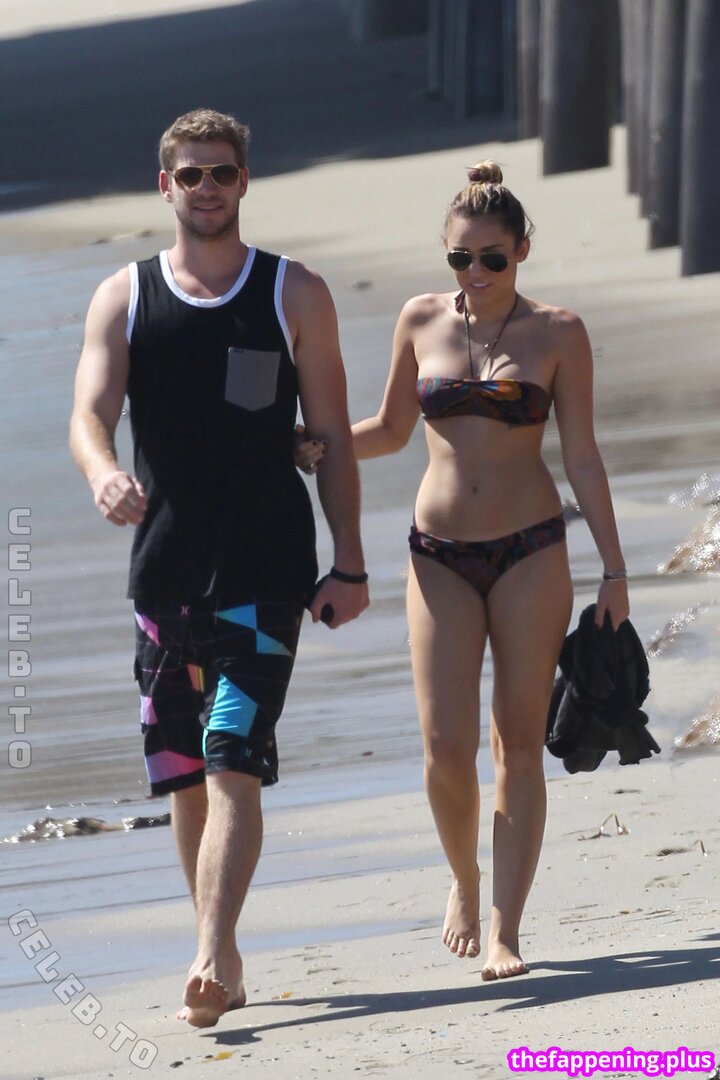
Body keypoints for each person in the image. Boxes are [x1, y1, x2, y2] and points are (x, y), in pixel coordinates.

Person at [69, 108, 368, 1027]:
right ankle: (223, 950)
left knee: (232, 754)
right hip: (163, 574)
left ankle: (207, 953)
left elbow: (332, 437)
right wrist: (103, 472)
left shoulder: (293, 291)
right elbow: (89, 415)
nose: (207, 188)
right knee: (184, 774)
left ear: (245, 182)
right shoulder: (125, 295)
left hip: (265, 571)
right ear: (165, 186)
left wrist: (349, 562)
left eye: (222, 172)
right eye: (191, 174)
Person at [350, 161, 629, 979]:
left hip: (530, 550)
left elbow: (582, 455)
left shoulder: (558, 333)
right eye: (460, 258)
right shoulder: (420, 319)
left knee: (517, 742)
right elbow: (390, 429)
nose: (475, 272)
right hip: (438, 554)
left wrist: (615, 569)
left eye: (492, 258)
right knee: (445, 743)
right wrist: (309, 443)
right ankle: (464, 881)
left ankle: (505, 928)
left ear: (522, 251)